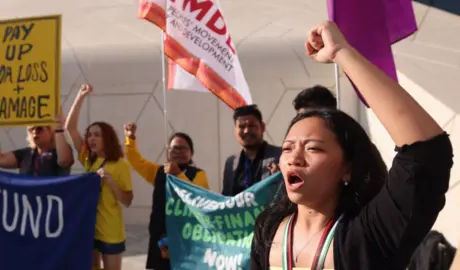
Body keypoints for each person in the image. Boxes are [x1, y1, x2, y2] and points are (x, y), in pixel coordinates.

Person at [250, 21, 453, 270]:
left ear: (347, 168)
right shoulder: (267, 229)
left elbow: (425, 154)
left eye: (313, 148)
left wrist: (341, 53)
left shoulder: (370, 234)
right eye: (287, 148)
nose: (295, 158)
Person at [123, 122, 209, 270]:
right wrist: (130, 138)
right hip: (161, 236)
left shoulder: (199, 174)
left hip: (187, 236)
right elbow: (135, 160)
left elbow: (197, 194)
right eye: (174, 148)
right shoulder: (158, 171)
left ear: (191, 153)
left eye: (183, 148)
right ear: (168, 152)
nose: (179, 151)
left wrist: (178, 174)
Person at [65, 84, 133, 270]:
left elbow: (127, 200)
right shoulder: (88, 160)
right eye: (89, 135)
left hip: (111, 232)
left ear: (107, 138)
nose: (91, 139)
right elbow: (70, 128)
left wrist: (111, 182)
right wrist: (80, 96)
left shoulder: (120, 165)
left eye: (97, 135)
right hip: (89, 228)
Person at [0, 110, 73, 176]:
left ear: (51, 131)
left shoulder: (60, 151)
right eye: (31, 129)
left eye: (39, 128)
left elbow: (64, 161)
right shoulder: (26, 154)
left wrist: (59, 129)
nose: (34, 132)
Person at [222, 104, 281, 196]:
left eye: (252, 125)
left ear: (263, 127)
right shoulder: (231, 162)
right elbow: (226, 197)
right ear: (235, 130)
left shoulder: (281, 156)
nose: (246, 131)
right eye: (241, 127)